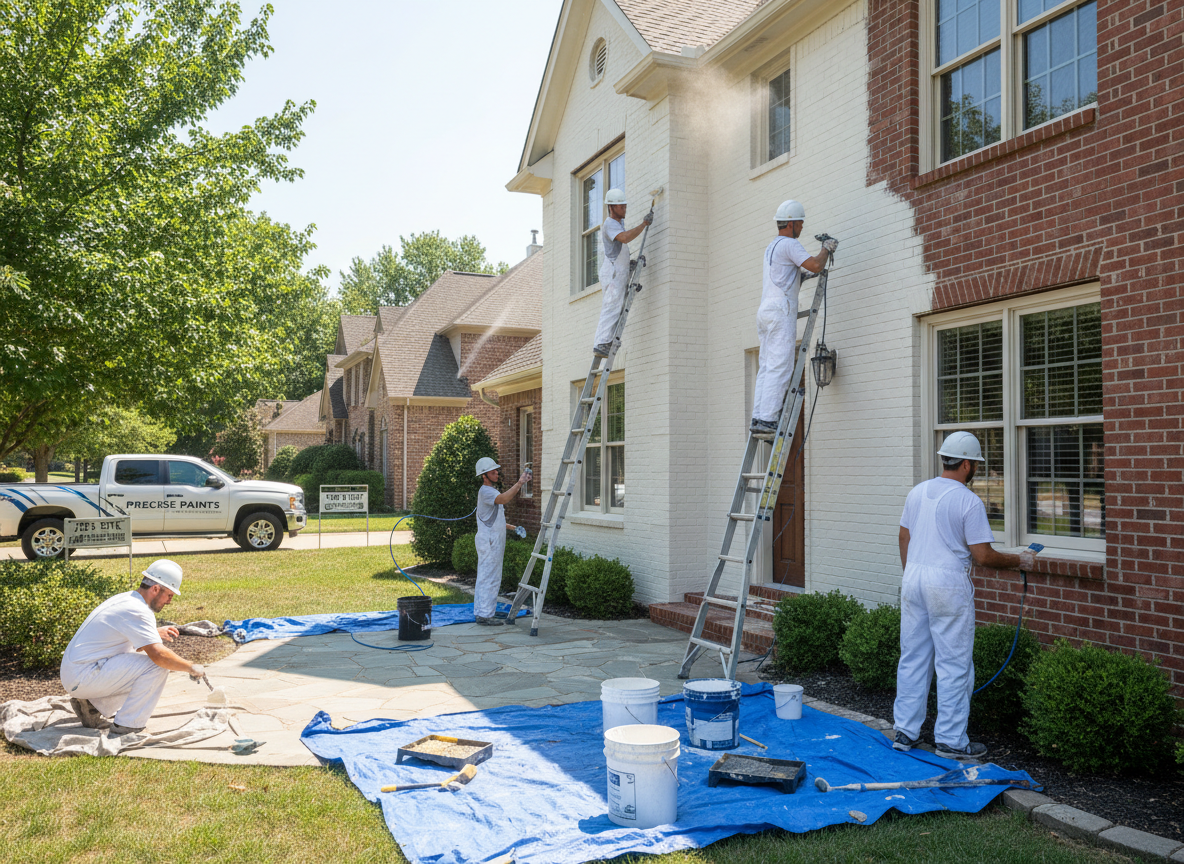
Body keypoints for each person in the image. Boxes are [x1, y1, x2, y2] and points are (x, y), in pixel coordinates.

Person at [892, 432, 1039, 760]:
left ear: (945, 458)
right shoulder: (967, 501)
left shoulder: (917, 492)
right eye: (976, 465)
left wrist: (912, 572)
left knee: (913, 657)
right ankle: (951, 741)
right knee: (954, 663)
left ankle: (905, 732)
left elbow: (904, 536)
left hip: (914, 576)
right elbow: (983, 557)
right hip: (946, 583)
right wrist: (1021, 560)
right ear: (968, 464)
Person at [60, 559, 208, 736]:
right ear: (155, 589)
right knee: (156, 666)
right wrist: (191, 667)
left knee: (138, 660)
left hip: (78, 672)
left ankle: (91, 706)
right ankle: (128, 725)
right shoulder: (137, 610)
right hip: (82, 677)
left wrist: (153, 632)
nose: (169, 601)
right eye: (169, 595)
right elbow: (159, 656)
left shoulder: (127, 599)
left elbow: (124, 637)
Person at [750, 199, 836, 437]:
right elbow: (817, 265)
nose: (802, 227)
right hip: (780, 310)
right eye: (800, 223)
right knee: (781, 365)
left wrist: (802, 276)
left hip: (766, 309)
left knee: (767, 365)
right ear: (791, 223)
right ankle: (768, 420)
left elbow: (788, 276)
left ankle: (759, 416)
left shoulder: (772, 246)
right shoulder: (789, 244)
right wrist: (826, 248)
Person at [592, 188, 653, 358]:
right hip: (612, 273)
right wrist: (643, 225)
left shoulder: (618, 224)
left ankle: (606, 340)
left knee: (617, 306)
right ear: (611, 207)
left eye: (625, 205)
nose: (625, 208)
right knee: (611, 306)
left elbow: (620, 250)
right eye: (621, 206)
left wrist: (629, 266)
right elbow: (625, 238)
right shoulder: (610, 223)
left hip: (617, 272)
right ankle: (601, 343)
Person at [473, 457, 532, 626]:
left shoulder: (490, 492)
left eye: (496, 470)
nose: (496, 473)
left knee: (488, 576)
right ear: (484, 476)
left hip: (491, 540)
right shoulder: (486, 492)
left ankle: (484, 611)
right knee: (489, 577)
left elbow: (494, 519)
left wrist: (514, 528)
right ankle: (484, 615)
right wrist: (520, 482)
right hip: (489, 542)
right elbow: (505, 499)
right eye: (493, 472)